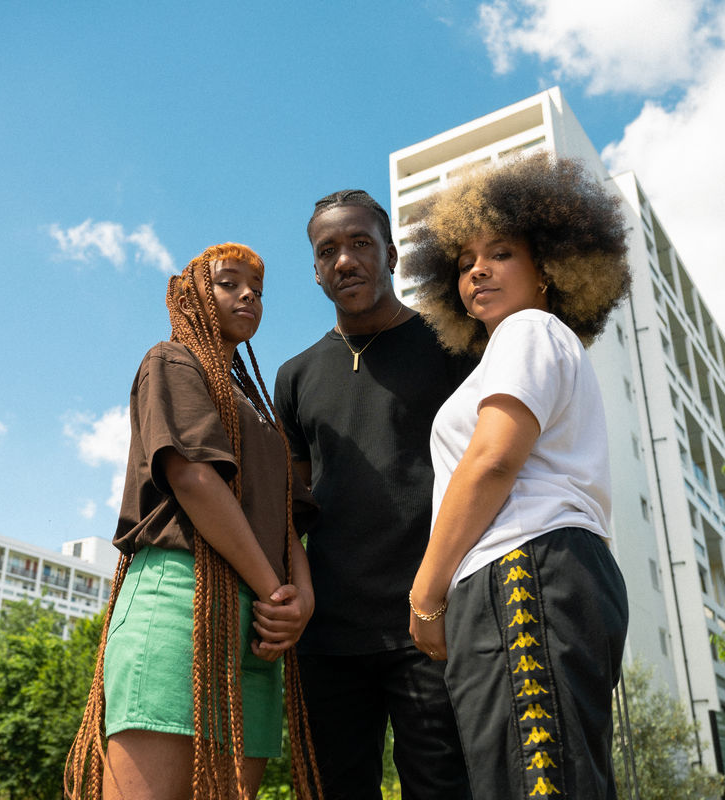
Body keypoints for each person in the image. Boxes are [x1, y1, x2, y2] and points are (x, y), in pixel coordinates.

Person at [406, 152, 631, 800]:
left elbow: (492, 460)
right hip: (548, 570)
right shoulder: (536, 343)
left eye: (500, 253)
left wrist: (426, 595)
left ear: (548, 269)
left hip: (522, 567)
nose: (477, 269)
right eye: (465, 261)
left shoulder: (529, 329)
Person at [65, 243, 322, 800]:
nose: (248, 294)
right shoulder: (172, 360)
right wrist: (276, 592)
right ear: (189, 297)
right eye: (229, 283)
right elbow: (194, 478)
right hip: (181, 604)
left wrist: (300, 601)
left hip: (258, 626)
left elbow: (284, 519)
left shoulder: (255, 407)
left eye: (257, 289)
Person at [274, 191, 473, 800]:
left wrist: (442, 597)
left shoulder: (454, 345)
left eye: (360, 243)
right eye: (327, 250)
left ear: (390, 254)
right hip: (327, 635)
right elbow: (292, 505)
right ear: (315, 271)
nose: (344, 260)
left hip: (429, 621)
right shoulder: (295, 376)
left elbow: (485, 473)